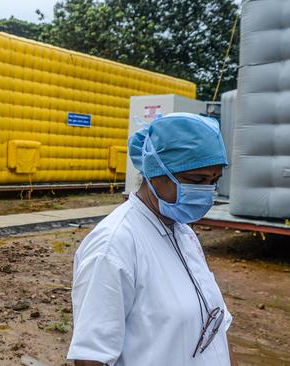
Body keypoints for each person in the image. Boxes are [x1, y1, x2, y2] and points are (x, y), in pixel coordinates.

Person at [68, 113, 238, 366]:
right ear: (156, 171)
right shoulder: (114, 245)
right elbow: (91, 358)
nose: (206, 192)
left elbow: (215, 323)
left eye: (213, 181)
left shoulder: (183, 232)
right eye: (197, 180)